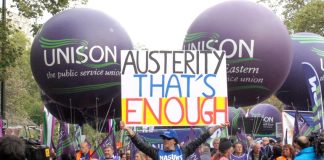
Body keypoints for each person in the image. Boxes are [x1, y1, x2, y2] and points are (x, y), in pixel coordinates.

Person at [121, 121, 229, 160]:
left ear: (174, 141)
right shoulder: (157, 153)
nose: (165, 141)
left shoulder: (182, 152)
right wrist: (128, 129)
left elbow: (201, 139)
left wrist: (217, 127)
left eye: (168, 139)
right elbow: (141, 145)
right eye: (164, 139)